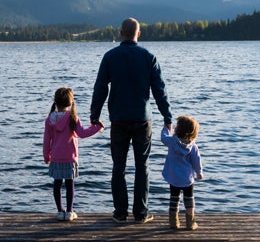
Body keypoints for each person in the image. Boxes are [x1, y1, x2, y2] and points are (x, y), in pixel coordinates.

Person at [90, 18, 172, 223]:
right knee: (142, 166)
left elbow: (100, 88)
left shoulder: (110, 57)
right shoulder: (148, 57)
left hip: (118, 119)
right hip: (143, 119)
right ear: (139, 34)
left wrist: (94, 116)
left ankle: (120, 213)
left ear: (120, 33)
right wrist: (167, 117)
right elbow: (159, 91)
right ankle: (141, 214)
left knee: (118, 166)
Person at [43, 87, 103, 221]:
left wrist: (46, 157)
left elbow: (47, 141)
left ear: (55, 101)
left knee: (57, 184)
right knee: (70, 184)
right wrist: (97, 127)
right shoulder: (72, 118)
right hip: (70, 157)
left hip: (56, 157)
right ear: (70, 102)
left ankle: (60, 211)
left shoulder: (49, 120)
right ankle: (69, 211)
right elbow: (82, 133)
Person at [160, 116, 204, 230]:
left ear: (178, 129)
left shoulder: (171, 142)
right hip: (187, 179)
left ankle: (173, 222)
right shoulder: (193, 147)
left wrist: (166, 127)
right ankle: (190, 223)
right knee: (189, 200)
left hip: (174, 178)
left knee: (174, 199)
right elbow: (197, 162)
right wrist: (199, 173)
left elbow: (163, 137)